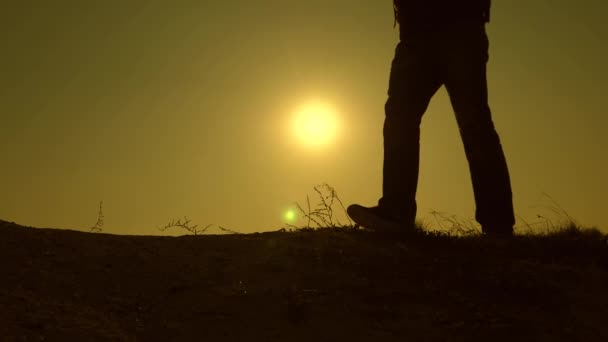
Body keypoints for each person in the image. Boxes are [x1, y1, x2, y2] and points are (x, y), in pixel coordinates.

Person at [347, 0, 515, 236]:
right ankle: (396, 212)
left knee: (474, 122)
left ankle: (497, 222)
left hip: (460, 29)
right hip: (416, 35)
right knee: (400, 117)